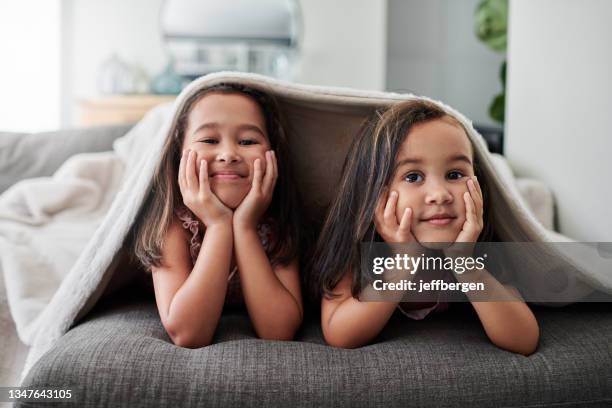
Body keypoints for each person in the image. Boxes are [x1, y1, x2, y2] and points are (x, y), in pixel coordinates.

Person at [311, 99, 539, 355]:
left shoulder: (480, 244)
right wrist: (404, 261)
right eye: (413, 177)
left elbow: (524, 339)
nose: (439, 195)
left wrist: (464, 263)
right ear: (375, 194)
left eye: (455, 174)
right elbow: (340, 333)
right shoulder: (356, 248)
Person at [132, 83, 304, 348]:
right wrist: (218, 224)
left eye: (247, 141)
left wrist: (245, 226)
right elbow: (189, 334)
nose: (228, 155)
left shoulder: (277, 225)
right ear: (180, 151)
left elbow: (281, 331)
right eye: (209, 140)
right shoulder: (171, 225)